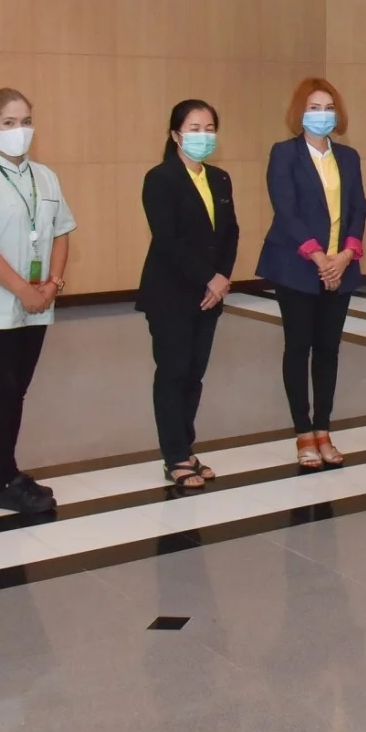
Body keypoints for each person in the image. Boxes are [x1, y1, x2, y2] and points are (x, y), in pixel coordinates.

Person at [0, 87, 76, 514]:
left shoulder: (46, 177)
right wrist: (24, 290)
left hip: (37, 304)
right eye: (8, 123)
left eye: (25, 121)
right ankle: (3, 476)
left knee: (16, 391)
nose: (19, 130)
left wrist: (52, 283)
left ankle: (0, 473)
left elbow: (61, 231)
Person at [260, 77, 366, 469]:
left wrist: (346, 255)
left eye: (328, 108)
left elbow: (359, 208)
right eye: (314, 108)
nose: (322, 115)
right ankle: (303, 432)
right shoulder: (284, 153)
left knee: (328, 351)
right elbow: (286, 210)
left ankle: (323, 429)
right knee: (298, 347)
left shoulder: (349, 157)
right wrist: (320, 258)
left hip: (340, 267)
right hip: (297, 268)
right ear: (299, 113)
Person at [136, 99, 238, 491]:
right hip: (171, 293)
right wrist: (209, 278)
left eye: (209, 128)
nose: (203, 136)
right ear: (176, 135)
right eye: (194, 129)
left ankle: (186, 446)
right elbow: (167, 240)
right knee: (173, 372)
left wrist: (222, 277)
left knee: (194, 374)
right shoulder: (160, 179)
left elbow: (230, 233)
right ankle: (175, 455)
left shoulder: (220, 178)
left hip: (210, 293)